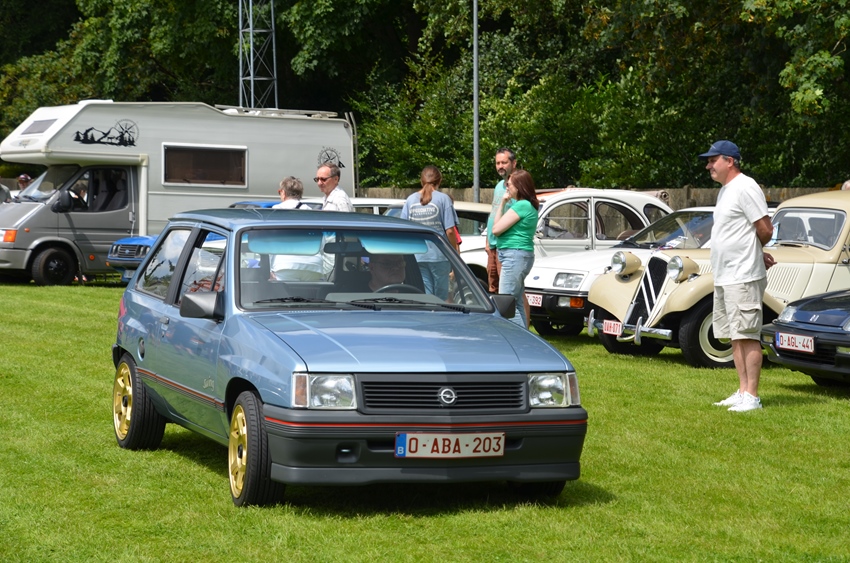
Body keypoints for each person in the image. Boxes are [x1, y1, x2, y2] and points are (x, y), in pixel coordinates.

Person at [700, 140, 774, 412]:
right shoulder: (726, 191)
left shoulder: (745, 186)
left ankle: (752, 397)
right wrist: (756, 251)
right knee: (735, 335)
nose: (708, 166)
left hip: (742, 275)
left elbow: (765, 228)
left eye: (713, 160)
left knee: (747, 334)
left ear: (729, 161)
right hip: (726, 276)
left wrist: (755, 252)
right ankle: (742, 391)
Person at [400, 165, 458, 299]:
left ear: (421, 180)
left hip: (417, 255)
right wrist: (454, 254)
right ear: (440, 181)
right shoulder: (444, 199)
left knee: (427, 295)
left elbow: (403, 228)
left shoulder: (410, 200)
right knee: (441, 296)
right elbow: (450, 231)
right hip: (439, 255)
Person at [492, 169, 540, 328]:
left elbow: (495, 229)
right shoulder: (525, 205)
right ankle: (524, 338)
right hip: (517, 256)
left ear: (519, 187)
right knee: (517, 302)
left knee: (505, 304)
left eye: (510, 185)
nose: (507, 187)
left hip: (514, 256)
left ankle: (519, 338)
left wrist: (503, 204)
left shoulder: (522, 205)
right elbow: (496, 226)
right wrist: (503, 203)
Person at [270, 176, 324, 281]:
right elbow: (321, 242)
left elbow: (270, 242)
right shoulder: (311, 212)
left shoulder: (276, 211)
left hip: (284, 264)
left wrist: (270, 268)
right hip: (313, 265)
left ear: (283, 192)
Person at [485, 149, 517, 293]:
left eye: (504, 162)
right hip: (493, 244)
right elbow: (493, 212)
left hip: (506, 245)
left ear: (513, 163)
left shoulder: (518, 186)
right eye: (497, 163)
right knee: (493, 288)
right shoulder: (499, 186)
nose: (500, 166)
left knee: (507, 290)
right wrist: (487, 240)